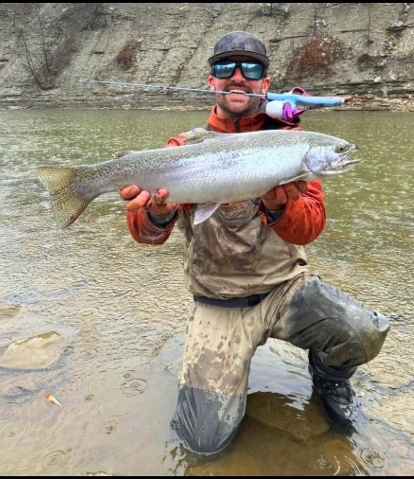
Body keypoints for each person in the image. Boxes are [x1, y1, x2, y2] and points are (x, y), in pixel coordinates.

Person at [119, 31, 391, 456]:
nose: (238, 77)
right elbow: (146, 235)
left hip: (285, 289)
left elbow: (311, 228)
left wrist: (280, 204)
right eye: (226, 67)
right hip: (218, 301)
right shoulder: (181, 148)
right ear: (211, 81)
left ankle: (330, 380)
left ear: (266, 83)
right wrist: (153, 213)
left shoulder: (289, 142)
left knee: (362, 332)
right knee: (203, 443)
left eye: (252, 69)